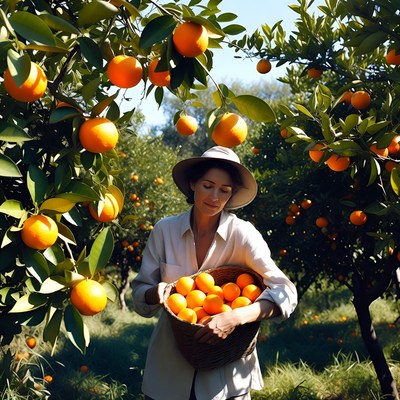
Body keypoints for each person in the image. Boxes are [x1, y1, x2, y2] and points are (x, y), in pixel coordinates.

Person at [131, 146, 298, 400]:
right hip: (169, 371)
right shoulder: (165, 231)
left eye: (224, 190)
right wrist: (160, 292)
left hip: (226, 378)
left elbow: (286, 292)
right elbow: (140, 294)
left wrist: (235, 317)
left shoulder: (242, 234)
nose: (215, 196)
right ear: (193, 183)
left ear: (231, 195)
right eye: (208, 185)